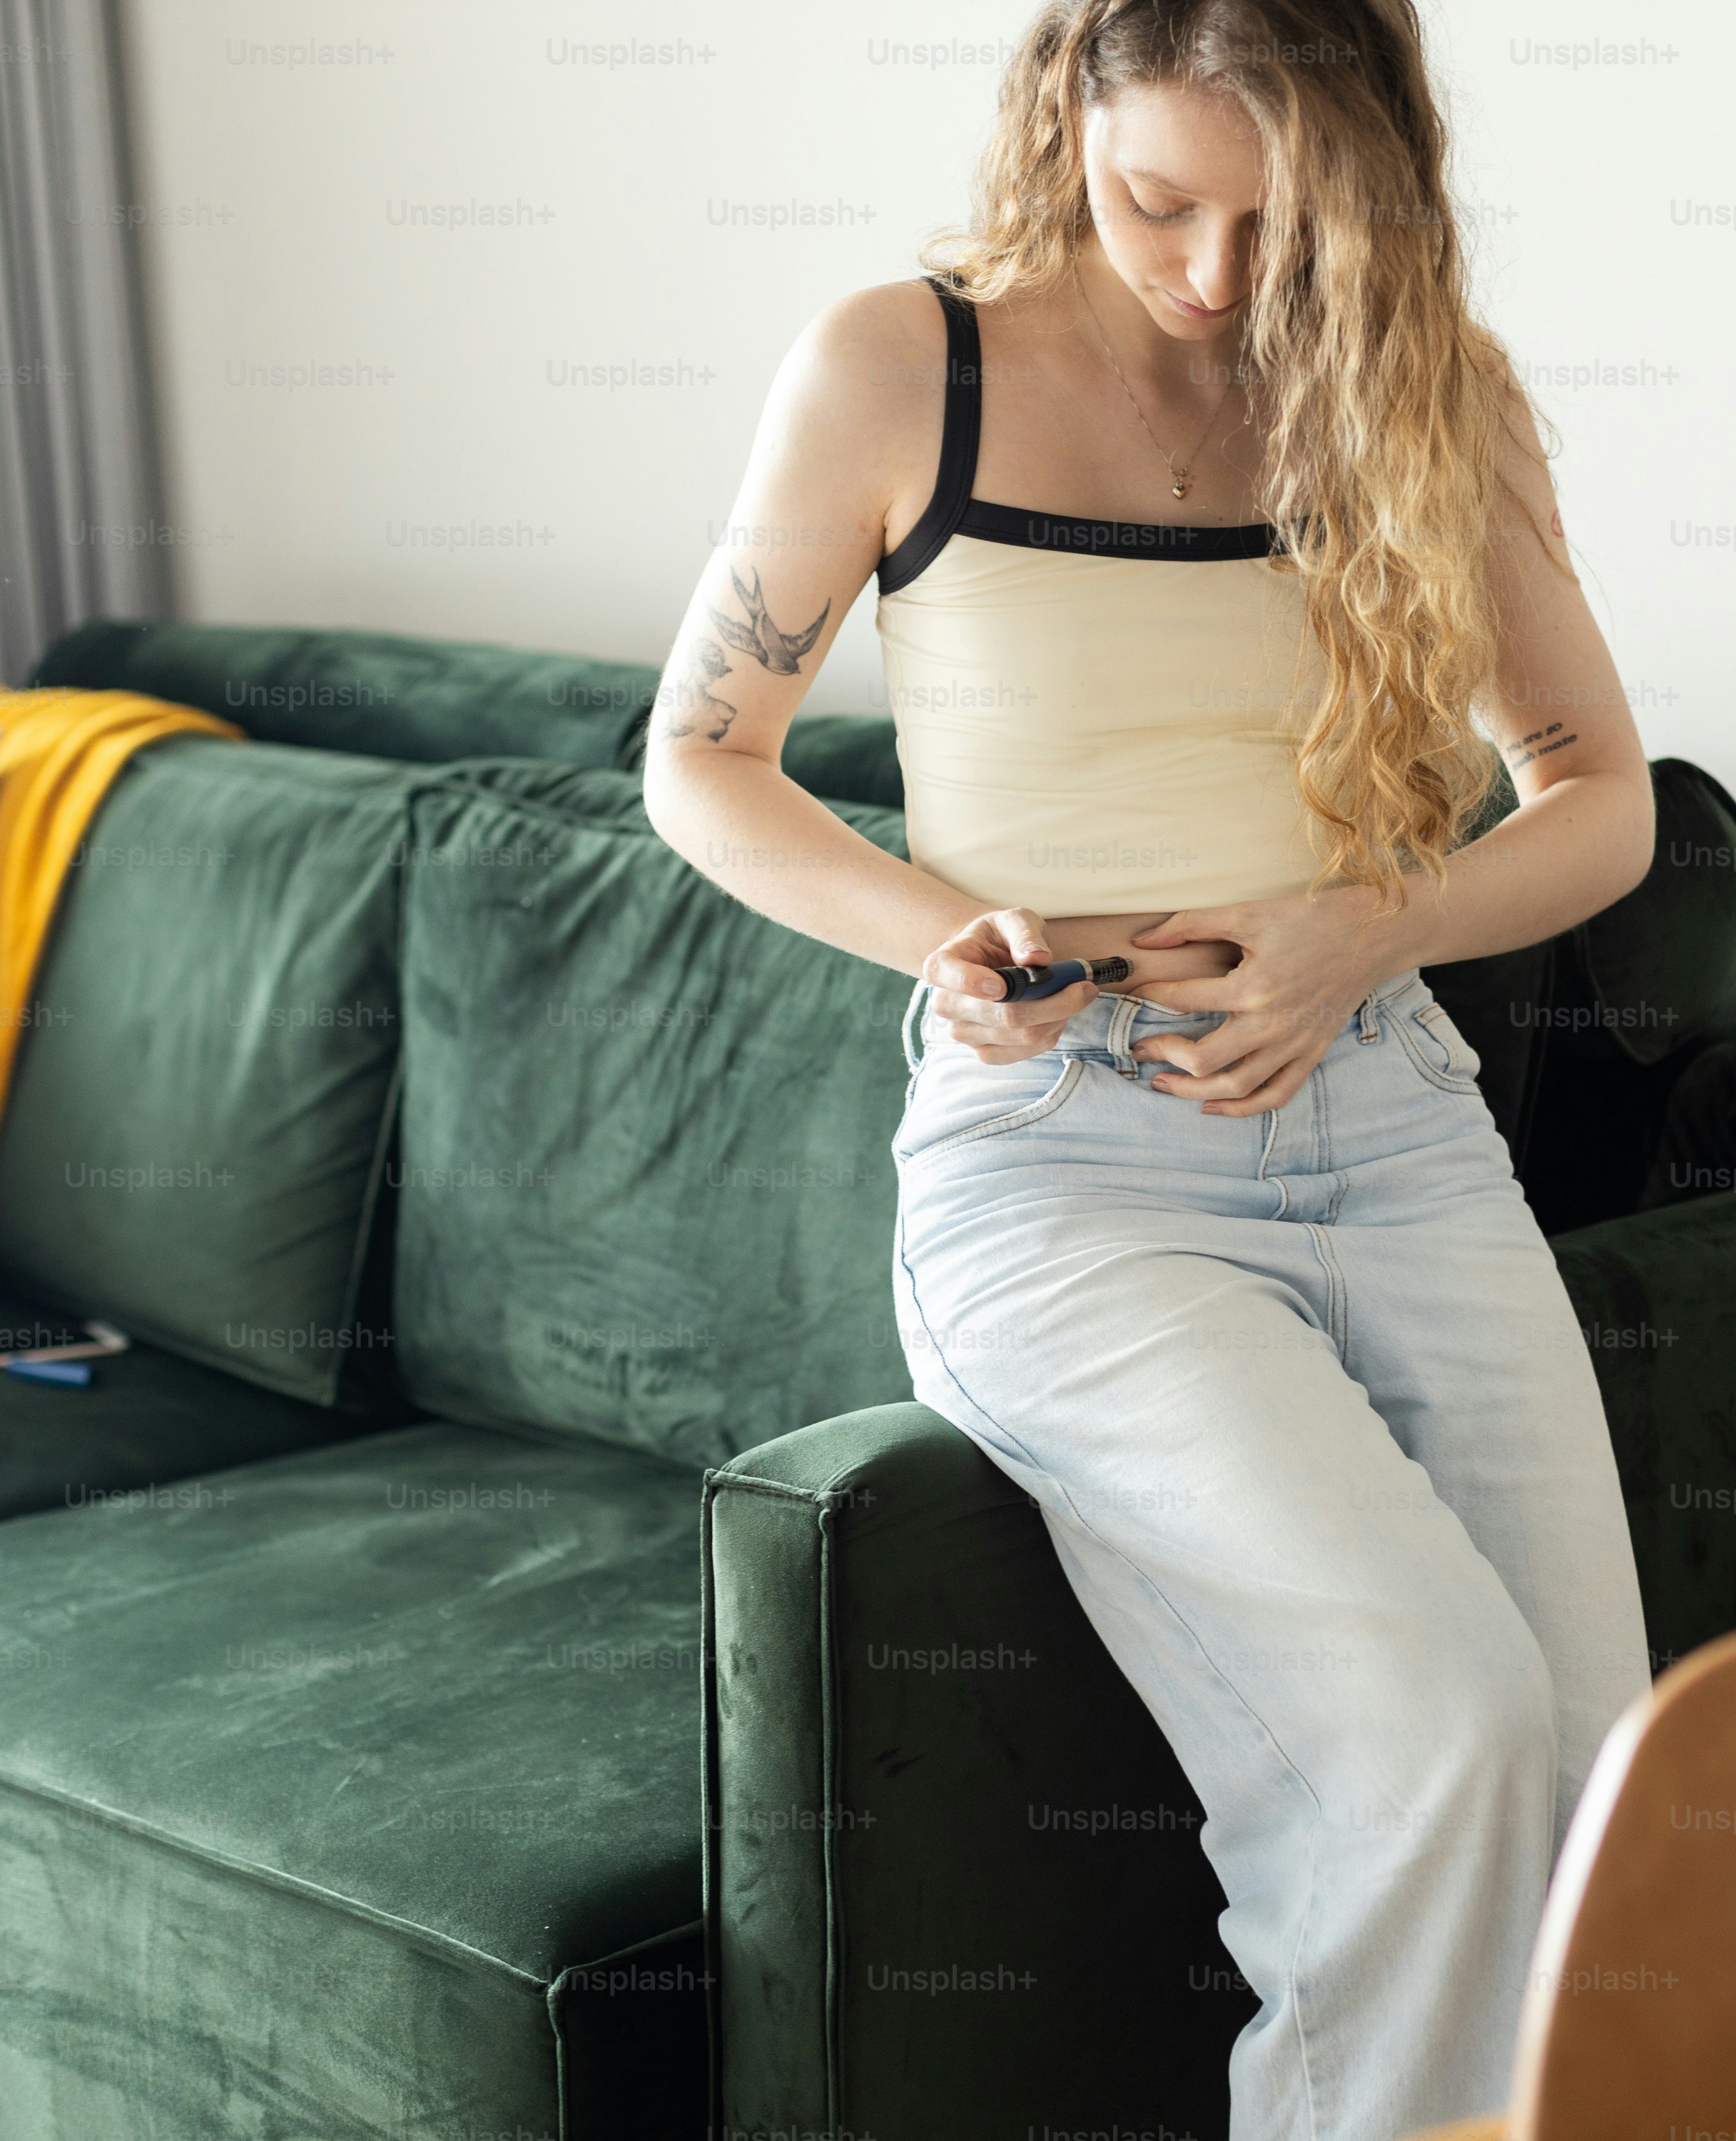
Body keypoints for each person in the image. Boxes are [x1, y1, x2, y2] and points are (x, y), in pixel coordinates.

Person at [641, 3, 1655, 2130]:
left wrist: (1381, 918)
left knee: (1595, 1769)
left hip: (1392, 1117)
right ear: (1064, 125)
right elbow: (700, 761)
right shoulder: (897, 366)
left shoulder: (1427, 398)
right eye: (1154, 202)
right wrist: (946, 936)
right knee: (1436, 1726)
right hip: (1066, 1171)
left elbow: (1593, 796)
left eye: (1276, 223)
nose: (1208, 273)